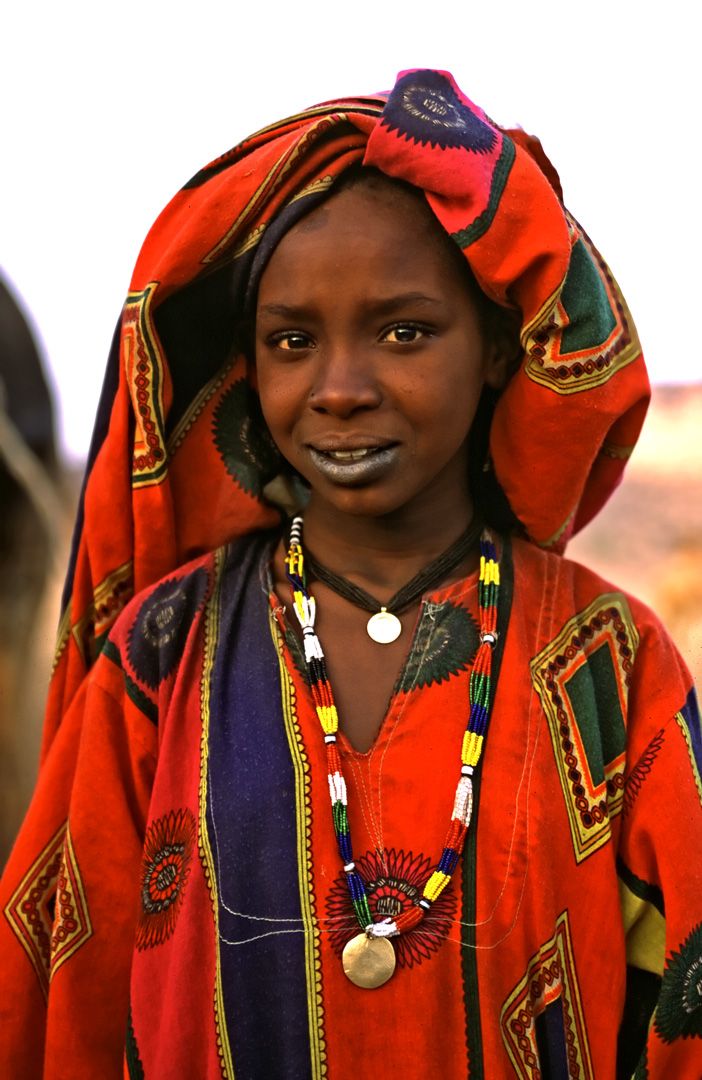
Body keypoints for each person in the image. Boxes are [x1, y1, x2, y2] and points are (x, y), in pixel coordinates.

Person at [1, 68, 700, 1079]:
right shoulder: (161, 656)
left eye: (404, 331)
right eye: (293, 341)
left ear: (499, 348)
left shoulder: (611, 666)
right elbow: (60, 1003)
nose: (338, 389)